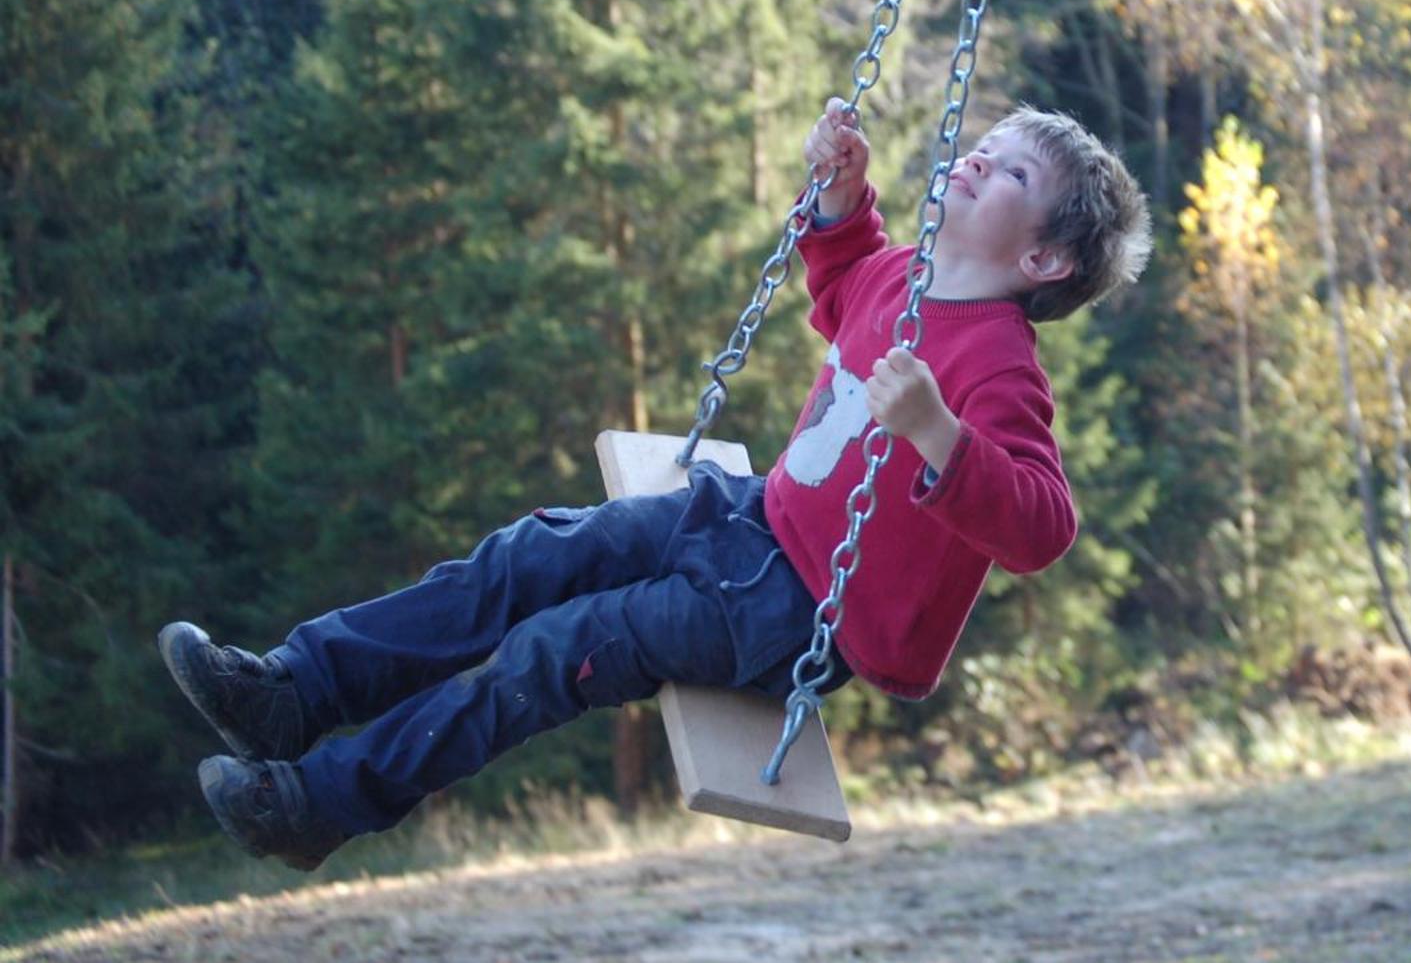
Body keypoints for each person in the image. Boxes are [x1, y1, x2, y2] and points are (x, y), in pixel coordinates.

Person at [160, 97, 1152, 870]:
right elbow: (843, 274)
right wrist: (843, 196)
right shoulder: (904, 275)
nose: (977, 155)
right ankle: (294, 688)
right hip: (747, 516)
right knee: (532, 552)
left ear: (1042, 257)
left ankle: (316, 802)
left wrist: (939, 434)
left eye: (1012, 166)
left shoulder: (998, 365)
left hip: (790, 616)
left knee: (558, 647)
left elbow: (1041, 527)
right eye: (988, 141)